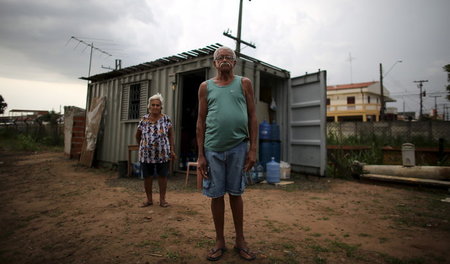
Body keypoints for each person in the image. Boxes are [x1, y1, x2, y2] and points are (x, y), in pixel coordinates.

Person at [196, 46, 257, 261]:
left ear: (235, 62)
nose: (224, 60)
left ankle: (240, 240)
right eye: (219, 57)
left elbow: (252, 116)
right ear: (214, 63)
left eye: (228, 57)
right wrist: (200, 155)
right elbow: (200, 121)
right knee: (216, 194)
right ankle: (219, 240)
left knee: (236, 193)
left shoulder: (244, 83)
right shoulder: (205, 87)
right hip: (212, 149)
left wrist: (253, 149)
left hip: (238, 147)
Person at [136, 93, 176, 208]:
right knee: (147, 177)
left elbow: (171, 136)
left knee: (162, 176)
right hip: (146, 155)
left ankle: (162, 200)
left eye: (157, 105)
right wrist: (142, 146)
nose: (155, 107)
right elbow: (137, 136)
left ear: (161, 107)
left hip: (163, 154)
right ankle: (149, 200)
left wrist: (172, 150)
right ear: (149, 106)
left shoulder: (166, 119)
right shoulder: (143, 120)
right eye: (153, 105)